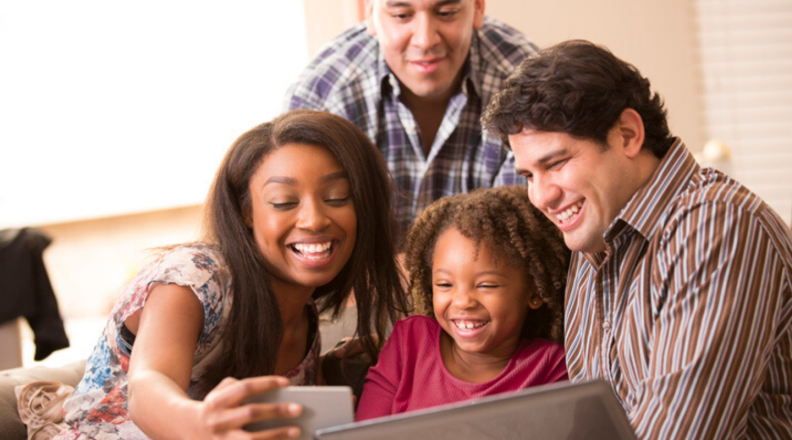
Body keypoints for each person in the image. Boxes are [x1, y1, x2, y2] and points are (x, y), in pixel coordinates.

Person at [482, 39, 792, 439]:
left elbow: (680, 433)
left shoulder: (719, 226)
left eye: (555, 164)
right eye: (528, 176)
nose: (541, 196)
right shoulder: (595, 237)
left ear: (628, 134)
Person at [55, 109, 409, 440]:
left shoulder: (306, 322)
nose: (314, 219)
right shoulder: (195, 279)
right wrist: (200, 423)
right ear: (246, 213)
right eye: (284, 202)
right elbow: (149, 385)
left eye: (337, 197)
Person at [284, 0, 539, 237]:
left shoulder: (529, 88)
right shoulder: (321, 98)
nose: (425, 40)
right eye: (402, 15)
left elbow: (515, 244)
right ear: (370, 12)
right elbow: (316, 246)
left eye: (446, 13)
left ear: (478, 7)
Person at [355, 186, 570, 420]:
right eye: (445, 285)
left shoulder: (550, 368)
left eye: (486, 285)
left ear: (535, 292)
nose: (463, 301)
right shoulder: (409, 344)